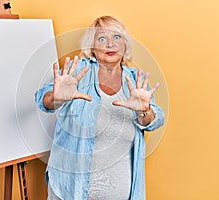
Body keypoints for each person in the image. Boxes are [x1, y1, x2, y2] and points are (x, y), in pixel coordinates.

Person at [35, 16, 165, 200]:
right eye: (102, 38)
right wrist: (56, 98)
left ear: (125, 45)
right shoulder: (77, 71)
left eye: (117, 37)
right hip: (71, 190)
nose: (110, 44)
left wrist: (144, 111)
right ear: (92, 47)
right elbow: (43, 100)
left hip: (121, 190)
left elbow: (156, 119)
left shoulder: (136, 78)